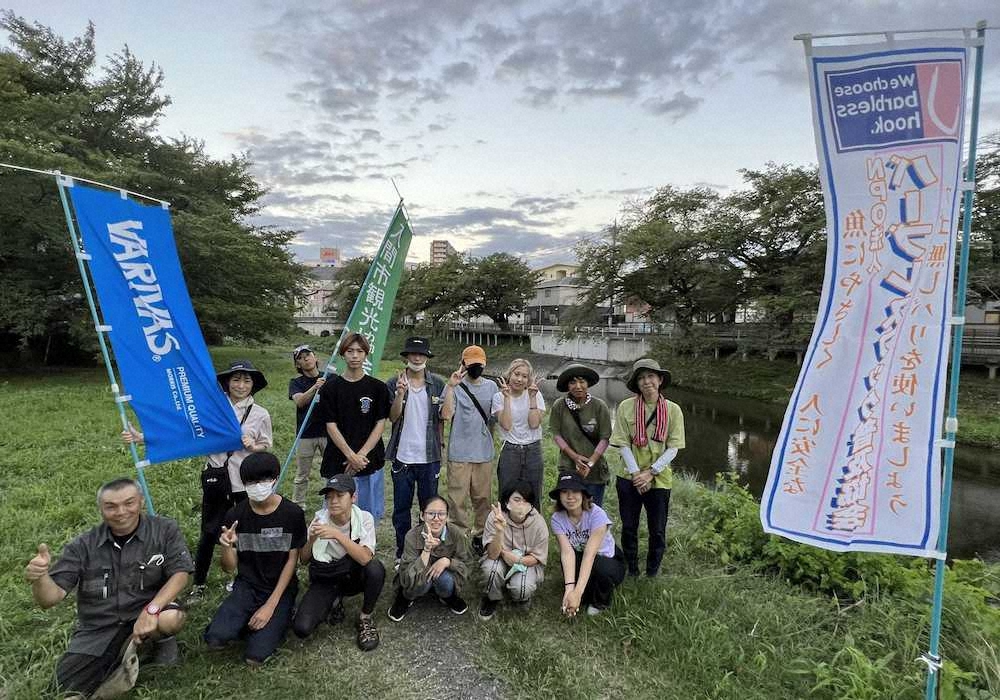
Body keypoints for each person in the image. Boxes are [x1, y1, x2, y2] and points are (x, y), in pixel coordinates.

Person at [25, 478, 193, 697]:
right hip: (99, 628)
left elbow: (181, 574)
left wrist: (152, 609)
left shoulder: (164, 529)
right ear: (101, 510)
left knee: (171, 618)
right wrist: (40, 578)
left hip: (148, 612)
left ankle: (160, 641)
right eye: (111, 506)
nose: (121, 512)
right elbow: (50, 599)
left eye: (129, 503)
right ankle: (130, 653)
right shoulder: (82, 546)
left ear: (141, 501)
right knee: (63, 692)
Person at [123, 359, 273, 602]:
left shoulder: (260, 414)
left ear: (253, 385)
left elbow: (266, 444)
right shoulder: (212, 409)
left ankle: (241, 578)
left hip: (245, 484)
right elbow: (185, 432)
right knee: (209, 532)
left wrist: (254, 446)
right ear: (226, 383)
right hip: (217, 480)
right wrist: (144, 438)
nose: (241, 385)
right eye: (236, 379)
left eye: (247, 380)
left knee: (244, 531)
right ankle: (199, 584)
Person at [203, 452, 306, 665]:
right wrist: (227, 547)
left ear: (275, 479)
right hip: (247, 586)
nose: (257, 486)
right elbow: (228, 569)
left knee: (255, 657)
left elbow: (291, 560)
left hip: (280, 587)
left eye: (263, 480)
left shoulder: (292, 514)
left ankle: (280, 616)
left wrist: (270, 606)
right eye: (251, 481)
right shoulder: (235, 516)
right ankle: (248, 621)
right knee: (215, 639)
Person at [611, 358, 685, 578]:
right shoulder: (626, 407)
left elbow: (673, 448)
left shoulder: (673, 410)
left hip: (659, 479)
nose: (647, 382)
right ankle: (632, 569)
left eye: (651, 376)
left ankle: (652, 571)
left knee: (658, 529)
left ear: (660, 380)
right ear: (637, 383)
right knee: (629, 527)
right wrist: (637, 475)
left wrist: (650, 472)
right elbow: (622, 443)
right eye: (641, 378)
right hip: (629, 477)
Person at [292, 473, 384, 651]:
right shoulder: (319, 521)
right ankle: (333, 600)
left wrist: (337, 535)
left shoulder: (364, 518)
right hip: (327, 576)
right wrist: (311, 540)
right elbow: (303, 560)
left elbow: (365, 557)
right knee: (301, 628)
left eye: (340, 495)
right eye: (329, 497)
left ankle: (365, 617)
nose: (333, 501)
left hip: (353, 574)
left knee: (375, 569)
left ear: (353, 498)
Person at [385, 336, 447, 563]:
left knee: (429, 509)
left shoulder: (438, 384)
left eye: (421, 354)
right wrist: (400, 394)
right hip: (403, 457)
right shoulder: (393, 383)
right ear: (406, 356)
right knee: (401, 510)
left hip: (429, 458)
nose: (417, 357)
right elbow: (392, 418)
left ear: (427, 357)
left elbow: (444, 416)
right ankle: (403, 553)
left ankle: (426, 551)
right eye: (413, 353)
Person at [318, 333, 390, 521]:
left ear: (366, 354)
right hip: (338, 459)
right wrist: (350, 456)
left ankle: (365, 548)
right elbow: (330, 424)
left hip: (369, 459)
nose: (355, 356)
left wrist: (361, 456)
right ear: (343, 354)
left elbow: (380, 423)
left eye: (360, 351)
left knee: (368, 514)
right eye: (350, 351)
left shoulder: (378, 388)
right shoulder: (330, 388)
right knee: (337, 512)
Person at [441, 345, 499, 553]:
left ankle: (480, 535)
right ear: (463, 363)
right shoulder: (454, 385)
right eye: (471, 363)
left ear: (484, 364)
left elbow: (495, 418)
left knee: (483, 498)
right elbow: (446, 415)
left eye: (479, 364)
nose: (475, 367)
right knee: (457, 499)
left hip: (483, 452)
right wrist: (450, 387)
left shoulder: (492, 387)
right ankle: (458, 537)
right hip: (460, 452)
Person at [549, 472, 625, 616]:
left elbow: (589, 556)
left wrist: (577, 592)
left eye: (575, 491)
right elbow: (567, 553)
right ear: (559, 496)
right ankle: (582, 594)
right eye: (564, 492)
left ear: (583, 494)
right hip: (580, 554)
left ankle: (600, 602)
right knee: (575, 583)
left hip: (606, 558)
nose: (570, 497)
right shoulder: (556, 519)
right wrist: (569, 589)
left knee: (601, 569)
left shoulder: (597, 515)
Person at [387, 496, 471, 621]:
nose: (436, 518)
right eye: (431, 513)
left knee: (446, 581)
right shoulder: (411, 536)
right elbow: (406, 574)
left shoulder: (456, 534)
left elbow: (467, 564)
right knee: (422, 581)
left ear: (447, 516)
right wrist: (426, 551)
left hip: (443, 574)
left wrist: (448, 562)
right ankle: (406, 597)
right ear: (422, 515)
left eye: (441, 514)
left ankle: (447, 596)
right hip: (420, 577)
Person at [478, 480, 549, 620]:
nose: (521, 505)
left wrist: (519, 560)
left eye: (526, 500)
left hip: (526, 561)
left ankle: (522, 597)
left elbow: (537, 557)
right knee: (490, 570)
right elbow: (492, 555)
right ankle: (492, 598)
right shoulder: (495, 516)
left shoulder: (539, 523)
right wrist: (499, 532)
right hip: (499, 557)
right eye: (516, 499)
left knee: (522, 589)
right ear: (506, 502)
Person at [549, 365, 613, 506]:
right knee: (569, 510)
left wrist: (589, 463)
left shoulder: (599, 406)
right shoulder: (559, 406)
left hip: (594, 469)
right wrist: (575, 457)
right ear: (567, 385)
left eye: (582, 381)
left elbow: (605, 438)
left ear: (588, 383)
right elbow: (556, 435)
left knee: (593, 510)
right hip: (568, 467)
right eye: (573, 382)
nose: (578, 386)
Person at [491, 359, 545, 509]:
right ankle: (505, 529)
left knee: (533, 495)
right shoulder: (498, 397)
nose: (520, 379)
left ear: (529, 379)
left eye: (524, 376)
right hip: (510, 450)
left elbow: (534, 424)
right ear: (510, 374)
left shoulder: (535, 394)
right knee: (506, 494)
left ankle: (533, 529)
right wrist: (507, 398)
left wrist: (532, 398)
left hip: (533, 450)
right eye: (516, 374)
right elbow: (506, 425)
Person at [288, 344, 328, 507]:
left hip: (329, 432)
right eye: (301, 358)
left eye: (308, 355)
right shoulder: (296, 382)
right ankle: (298, 504)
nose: (306, 359)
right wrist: (315, 387)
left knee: (330, 471)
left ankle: (331, 501)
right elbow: (300, 401)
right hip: (306, 434)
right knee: (302, 473)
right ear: (298, 364)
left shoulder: (330, 377)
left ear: (315, 358)